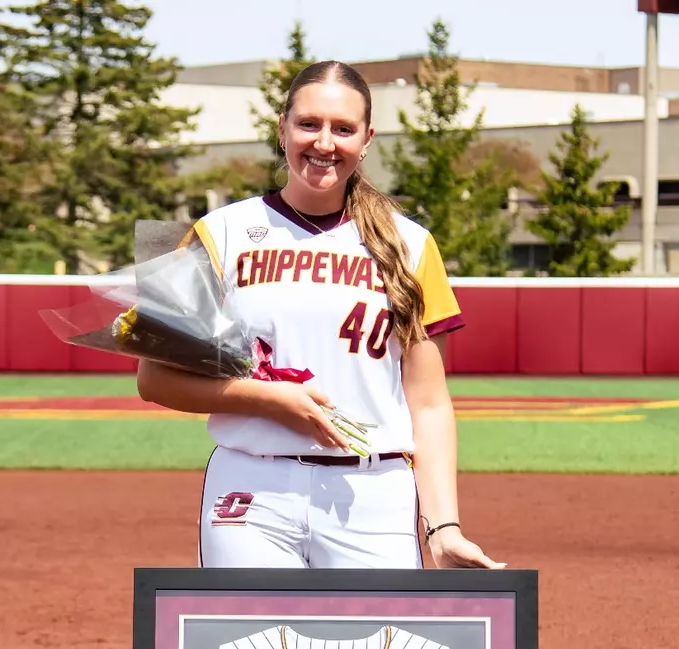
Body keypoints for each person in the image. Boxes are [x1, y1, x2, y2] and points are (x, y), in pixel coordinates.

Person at [136, 60, 503, 571]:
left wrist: (443, 527)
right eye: (309, 124)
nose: (324, 142)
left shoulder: (412, 244)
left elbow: (429, 404)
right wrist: (268, 399)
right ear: (282, 127)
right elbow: (153, 380)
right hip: (251, 487)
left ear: (367, 138)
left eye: (343, 128)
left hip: (373, 494)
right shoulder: (216, 233)